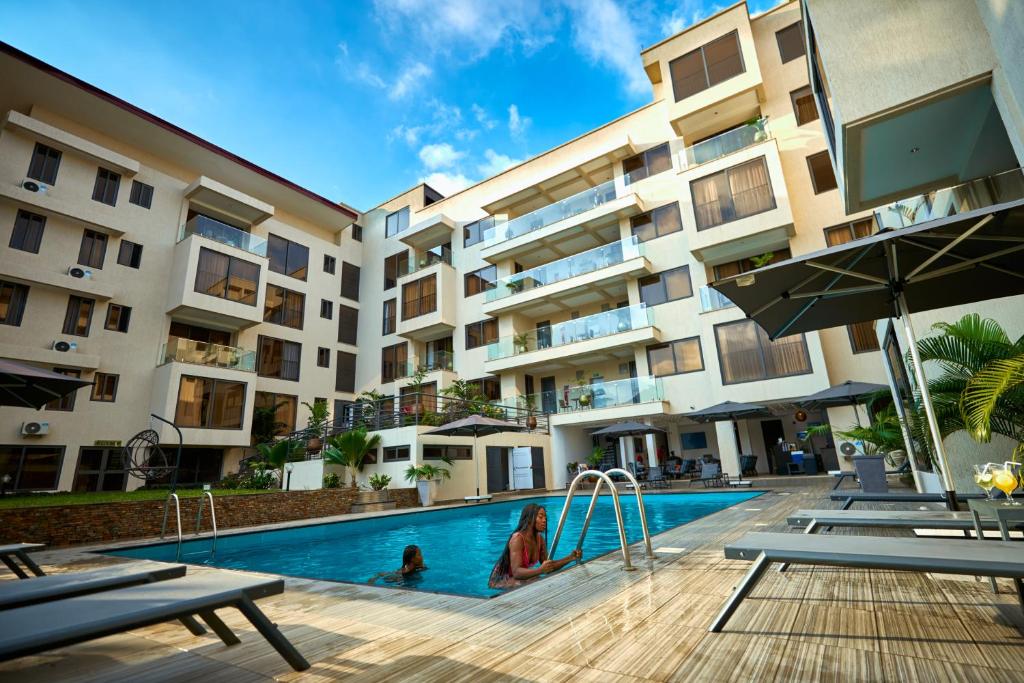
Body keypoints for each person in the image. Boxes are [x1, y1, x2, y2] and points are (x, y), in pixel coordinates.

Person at [489, 503, 581, 589]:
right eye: (540, 517)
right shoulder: (517, 539)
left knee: (536, 579)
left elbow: (548, 568)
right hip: (500, 580)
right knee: (534, 579)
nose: (544, 520)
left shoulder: (540, 539)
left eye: (545, 517)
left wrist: (570, 558)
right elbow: (516, 572)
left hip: (515, 578)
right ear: (529, 519)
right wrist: (540, 570)